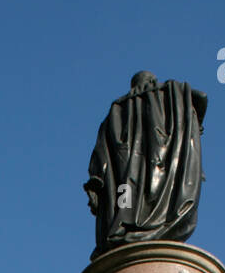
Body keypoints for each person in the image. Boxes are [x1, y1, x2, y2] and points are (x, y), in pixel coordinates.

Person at [84, 71, 207, 256]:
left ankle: (126, 228)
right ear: (152, 80)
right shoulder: (171, 92)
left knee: (125, 198)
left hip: (126, 176)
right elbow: (202, 97)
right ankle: (158, 226)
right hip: (165, 169)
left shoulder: (117, 109)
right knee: (156, 200)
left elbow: (100, 156)